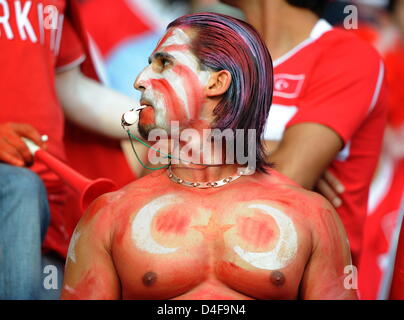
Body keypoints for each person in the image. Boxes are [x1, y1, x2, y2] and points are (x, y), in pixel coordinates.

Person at [61, 13, 356, 300]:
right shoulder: (109, 216)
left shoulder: (311, 215)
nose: (140, 80)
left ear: (216, 83)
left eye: (163, 63)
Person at [220, 0, 387, 266]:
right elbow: (154, 166)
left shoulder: (348, 55)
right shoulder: (212, 51)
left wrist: (191, 142)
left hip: (303, 282)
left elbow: (284, 180)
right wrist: (272, 149)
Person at [0, 0, 138, 299]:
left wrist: (166, 121)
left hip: (51, 209)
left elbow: (70, 88)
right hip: (15, 195)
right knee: (20, 186)